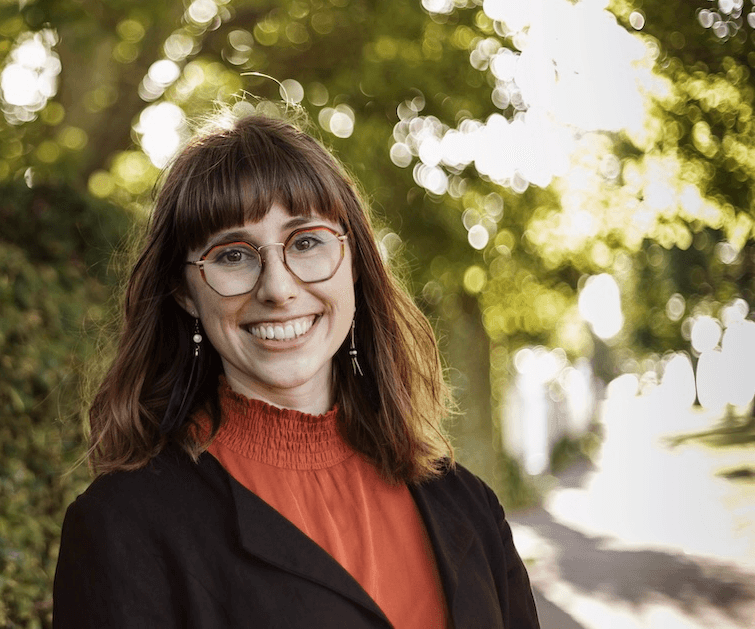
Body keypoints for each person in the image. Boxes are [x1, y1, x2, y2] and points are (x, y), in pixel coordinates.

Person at [53, 110, 540, 628]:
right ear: (185, 292)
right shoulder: (123, 526)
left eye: (306, 242)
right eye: (233, 255)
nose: (278, 288)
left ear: (355, 261)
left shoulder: (468, 505)